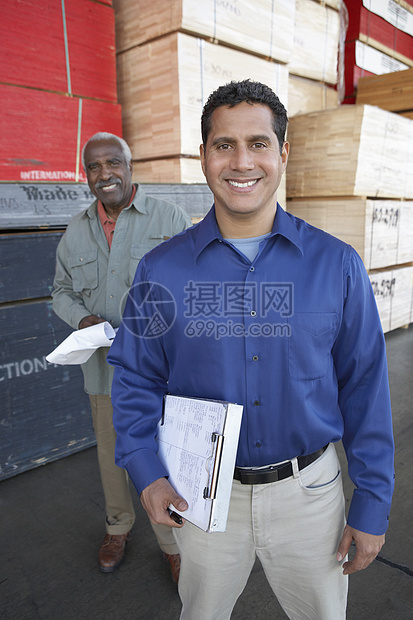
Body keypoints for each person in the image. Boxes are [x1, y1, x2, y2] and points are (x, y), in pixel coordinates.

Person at [107, 81, 395, 619]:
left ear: (283, 153)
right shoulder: (161, 271)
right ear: (204, 156)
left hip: (311, 497)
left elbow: (364, 387)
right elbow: (135, 376)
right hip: (204, 497)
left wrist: (372, 501)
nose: (242, 162)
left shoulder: (336, 266)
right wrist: (146, 471)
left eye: (259, 144)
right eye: (224, 145)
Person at [52, 132, 192, 580]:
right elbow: (61, 291)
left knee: (163, 457)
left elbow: (193, 287)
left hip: (161, 374)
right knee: (113, 457)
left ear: (130, 166)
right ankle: (118, 527)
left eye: (113, 163)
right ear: (85, 174)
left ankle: (172, 543)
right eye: (94, 166)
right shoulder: (75, 232)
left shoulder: (168, 218)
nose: (104, 174)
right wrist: (81, 320)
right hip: (104, 374)